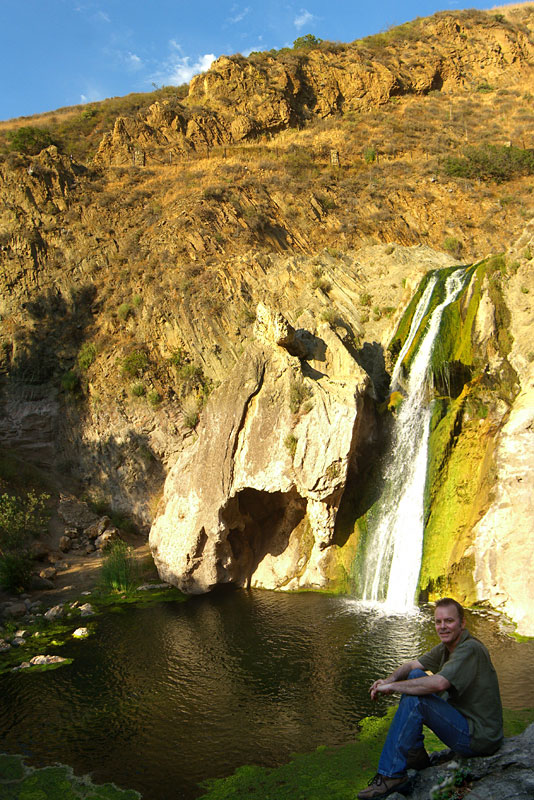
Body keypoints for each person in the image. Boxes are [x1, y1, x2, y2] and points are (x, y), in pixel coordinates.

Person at [357, 597, 503, 800]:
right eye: (438, 622)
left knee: (417, 700)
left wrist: (392, 687)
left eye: (449, 621)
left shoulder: (470, 649)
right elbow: (411, 666)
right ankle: (415, 754)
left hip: (478, 737)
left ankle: (391, 775)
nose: (442, 626)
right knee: (415, 677)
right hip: (463, 721)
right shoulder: (447, 648)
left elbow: (439, 684)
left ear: (462, 623)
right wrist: (388, 680)